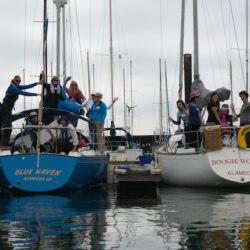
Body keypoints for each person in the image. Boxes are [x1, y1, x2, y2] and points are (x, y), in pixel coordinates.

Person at [0, 75, 42, 146]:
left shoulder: (16, 86)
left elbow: (26, 87)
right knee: (7, 127)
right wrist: (37, 94)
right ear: (13, 80)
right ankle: (3, 144)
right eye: (17, 81)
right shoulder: (12, 88)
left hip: (7, 109)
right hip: (4, 109)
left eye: (20, 81)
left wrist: (37, 83)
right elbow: (24, 93)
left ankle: (3, 143)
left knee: (6, 127)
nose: (19, 82)